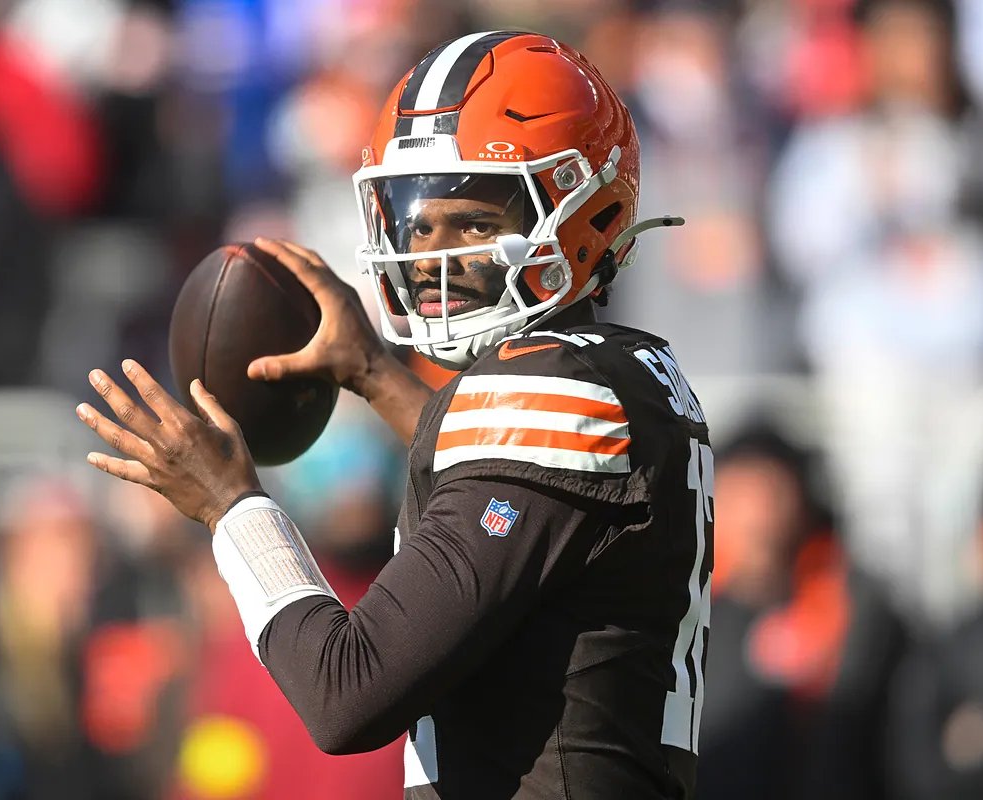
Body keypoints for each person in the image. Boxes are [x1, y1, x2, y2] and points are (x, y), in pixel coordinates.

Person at [76, 31, 713, 799]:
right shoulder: (631, 373)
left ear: (593, 211)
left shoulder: (550, 392)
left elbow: (346, 694)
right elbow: (504, 493)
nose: (433, 255)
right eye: (418, 222)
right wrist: (374, 374)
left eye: (476, 222)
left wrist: (229, 506)